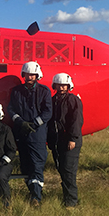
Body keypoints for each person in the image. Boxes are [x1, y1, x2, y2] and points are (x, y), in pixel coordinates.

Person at [7, 61, 52, 206]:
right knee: (25, 165)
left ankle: (36, 197)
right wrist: (20, 122)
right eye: (27, 74)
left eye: (33, 74)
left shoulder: (44, 91)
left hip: (37, 134)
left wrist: (34, 124)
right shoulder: (16, 91)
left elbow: (48, 112)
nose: (30, 77)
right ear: (23, 75)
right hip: (21, 133)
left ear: (37, 75)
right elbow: (11, 109)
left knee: (37, 164)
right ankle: (32, 191)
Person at [48, 73, 83, 208]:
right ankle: (66, 197)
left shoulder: (73, 100)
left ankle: (71, 203)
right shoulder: (53, 100)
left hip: (70, 141)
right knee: (61, 169)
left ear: (69, 86)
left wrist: (73, 139)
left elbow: (76, 120)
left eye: (64, 85)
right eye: (59, 85)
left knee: (68, 171)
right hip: (58, 141)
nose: (61, 87)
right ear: (55, 85)